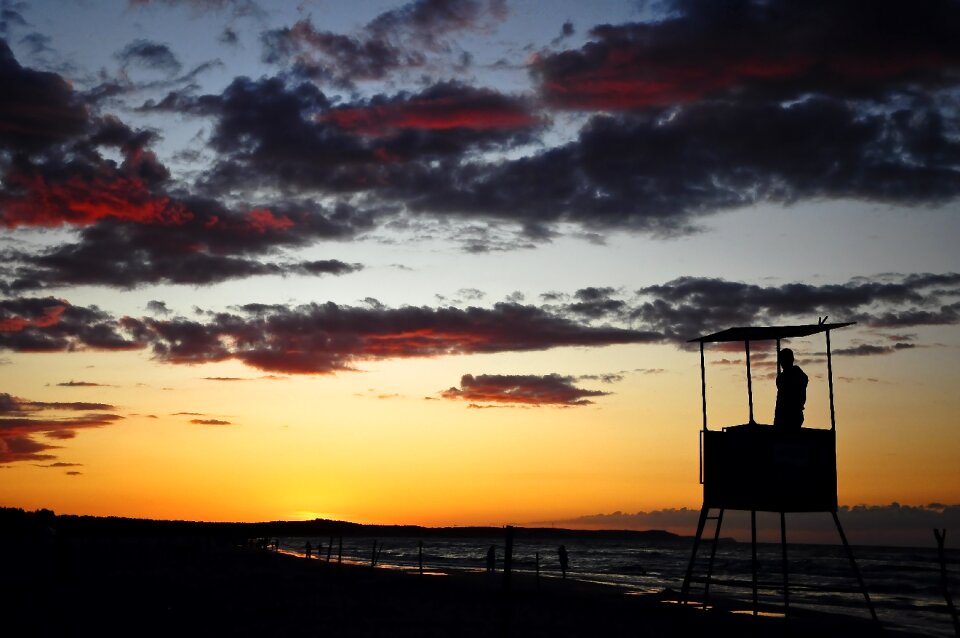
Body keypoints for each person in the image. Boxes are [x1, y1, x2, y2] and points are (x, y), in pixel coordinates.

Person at [774, 348, 807, 427]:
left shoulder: (796, 374)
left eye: (783, 359)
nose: (782, 363)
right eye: (781, 360)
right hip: (783, 415)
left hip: (792, 414)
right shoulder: (782, 377)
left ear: (791, 359)